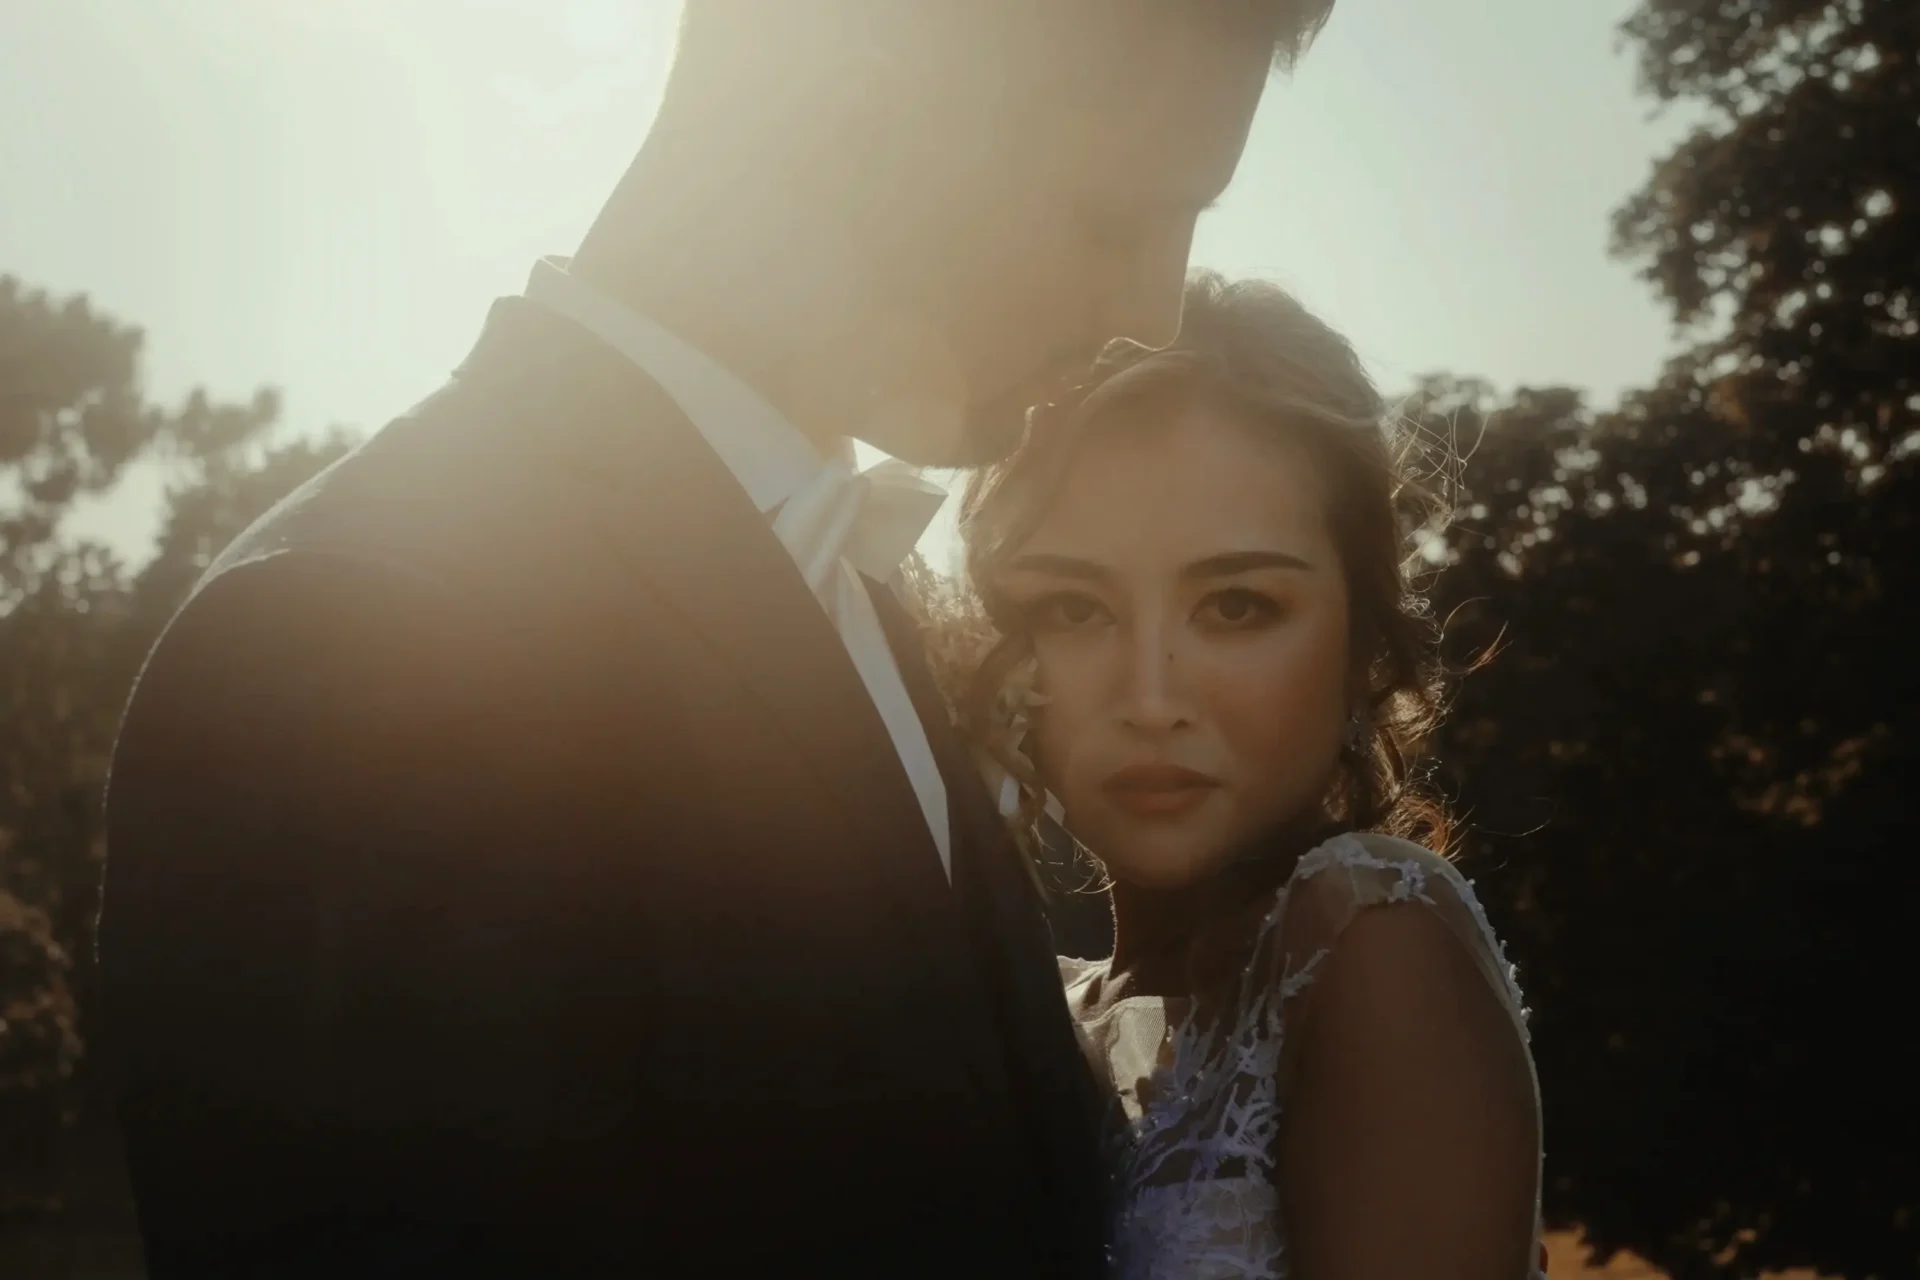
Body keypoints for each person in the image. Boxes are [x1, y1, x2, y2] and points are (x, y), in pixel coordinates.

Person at [96, 3, 1338, 1276]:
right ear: (855, 102)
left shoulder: (846, 596)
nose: (1151, 307)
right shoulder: (356, 634)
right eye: (1112, 215)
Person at [931, 273, 1546, 1278]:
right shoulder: (1026, 1006)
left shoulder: (1367, 939)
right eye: (1075, 609)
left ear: (1364, 643)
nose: (1150, 697)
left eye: (1237, 606)